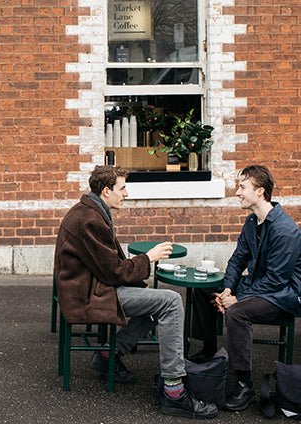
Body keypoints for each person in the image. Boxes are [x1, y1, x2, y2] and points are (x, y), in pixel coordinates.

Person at [54, 165, 217, 419]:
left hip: (91, 287)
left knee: (160, 305)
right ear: (106, 191)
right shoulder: (91, 219)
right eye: (122, 188)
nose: (126, 193)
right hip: (89, 295)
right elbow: (114, 272)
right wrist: (148, 258)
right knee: (171, 302)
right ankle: (174, 391)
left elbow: (109, 268)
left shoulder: (88, 211)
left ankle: (109, 354)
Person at [190, 164, 301, 411]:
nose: (237, 192)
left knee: (237, 312)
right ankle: (209, 350)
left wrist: (237, 300)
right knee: (204, 287)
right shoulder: (252, 222)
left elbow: (275, 281)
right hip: (258, 285)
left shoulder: (285, 230)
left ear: (260, 191)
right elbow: (238, 259)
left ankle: (244, 384)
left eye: (242, 187)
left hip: (282, 296)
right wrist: (228, 289)